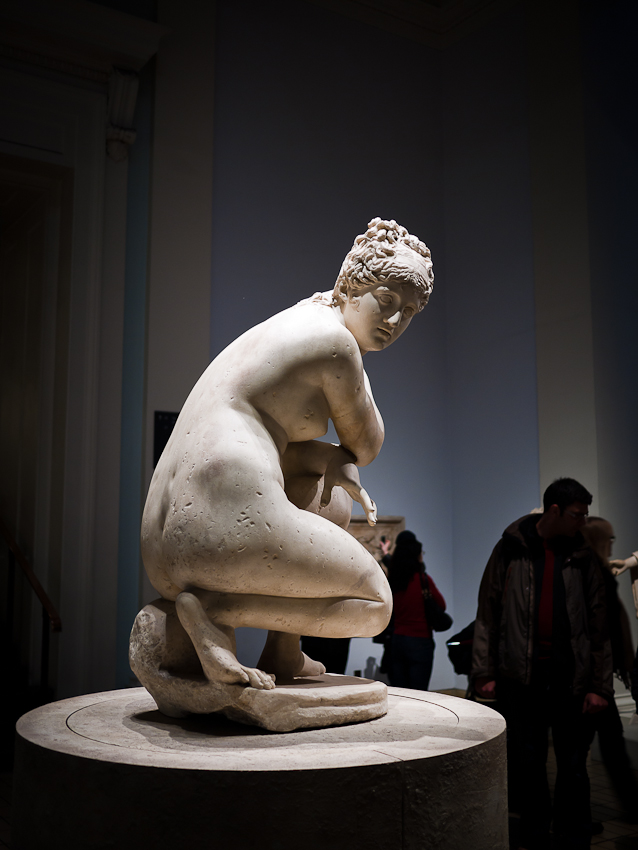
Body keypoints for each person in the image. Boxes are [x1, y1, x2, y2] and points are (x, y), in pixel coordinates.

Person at [135, 218, 434, 700]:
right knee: (376, 605)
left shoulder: (299, 317)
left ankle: (283, 651)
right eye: (386, 299)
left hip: (164, 538)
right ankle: (213, 611)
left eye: (411, 311)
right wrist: (346, 442)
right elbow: (368, 443)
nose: (396, 320)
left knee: (333, 498)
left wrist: (331, 458)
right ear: (350, 287)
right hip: (215, 519)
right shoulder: (337, 345)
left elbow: (285, 440)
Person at [472, 478, 613, 850]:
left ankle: (573, 835)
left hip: (571, 681)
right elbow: (488, 612)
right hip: (522, 681)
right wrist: (484, 671)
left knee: (574, 766)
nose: (583, 522)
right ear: (555, 510)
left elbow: (599, 626)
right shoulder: (510, 549)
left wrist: (600, 686)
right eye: (577, 514)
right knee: (528, 763)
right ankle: (534, 835)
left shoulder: (582, 555)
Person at [581, 518, 638, 821]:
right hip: (591, 680)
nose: (613, 545)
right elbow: (602, 631)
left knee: (598, 746)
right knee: (598, 745)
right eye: (610, 539)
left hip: (595, 677)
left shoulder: (593, 572)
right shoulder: (593, 575)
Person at [386, 530, 446, 691]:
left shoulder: (393, 582)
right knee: (419, 691)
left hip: (397, 639)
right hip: (420, 640)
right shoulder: (422, 580)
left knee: (401, 691)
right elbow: (442, 605)